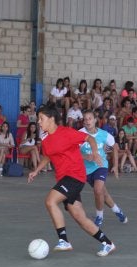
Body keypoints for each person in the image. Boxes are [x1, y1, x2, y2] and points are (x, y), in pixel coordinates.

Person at [27, 106, 116, 257]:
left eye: (41, 119)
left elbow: (90, 138)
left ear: (51, 119)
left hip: (75, 176)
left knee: (50, 201)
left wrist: (94, 152)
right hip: (64, 178)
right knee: (80, 217)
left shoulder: (66, 132)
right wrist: (36, 170)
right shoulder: (46, 138)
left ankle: (64, 241)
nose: (39, 122)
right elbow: (48, 156)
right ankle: (108, 243)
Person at [79, 110, 128, 227]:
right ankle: (117, 211)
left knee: (97, 190)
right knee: (102, 193)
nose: (87, 121)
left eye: (90, 118)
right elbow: (72, 152)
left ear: (95, 120)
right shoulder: (79, 134)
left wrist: (115, 165)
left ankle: (99, 217)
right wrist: (86, 156)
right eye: (85, 119)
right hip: (86, 169)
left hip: (101, 165)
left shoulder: (103, 134)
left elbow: (115, 147)